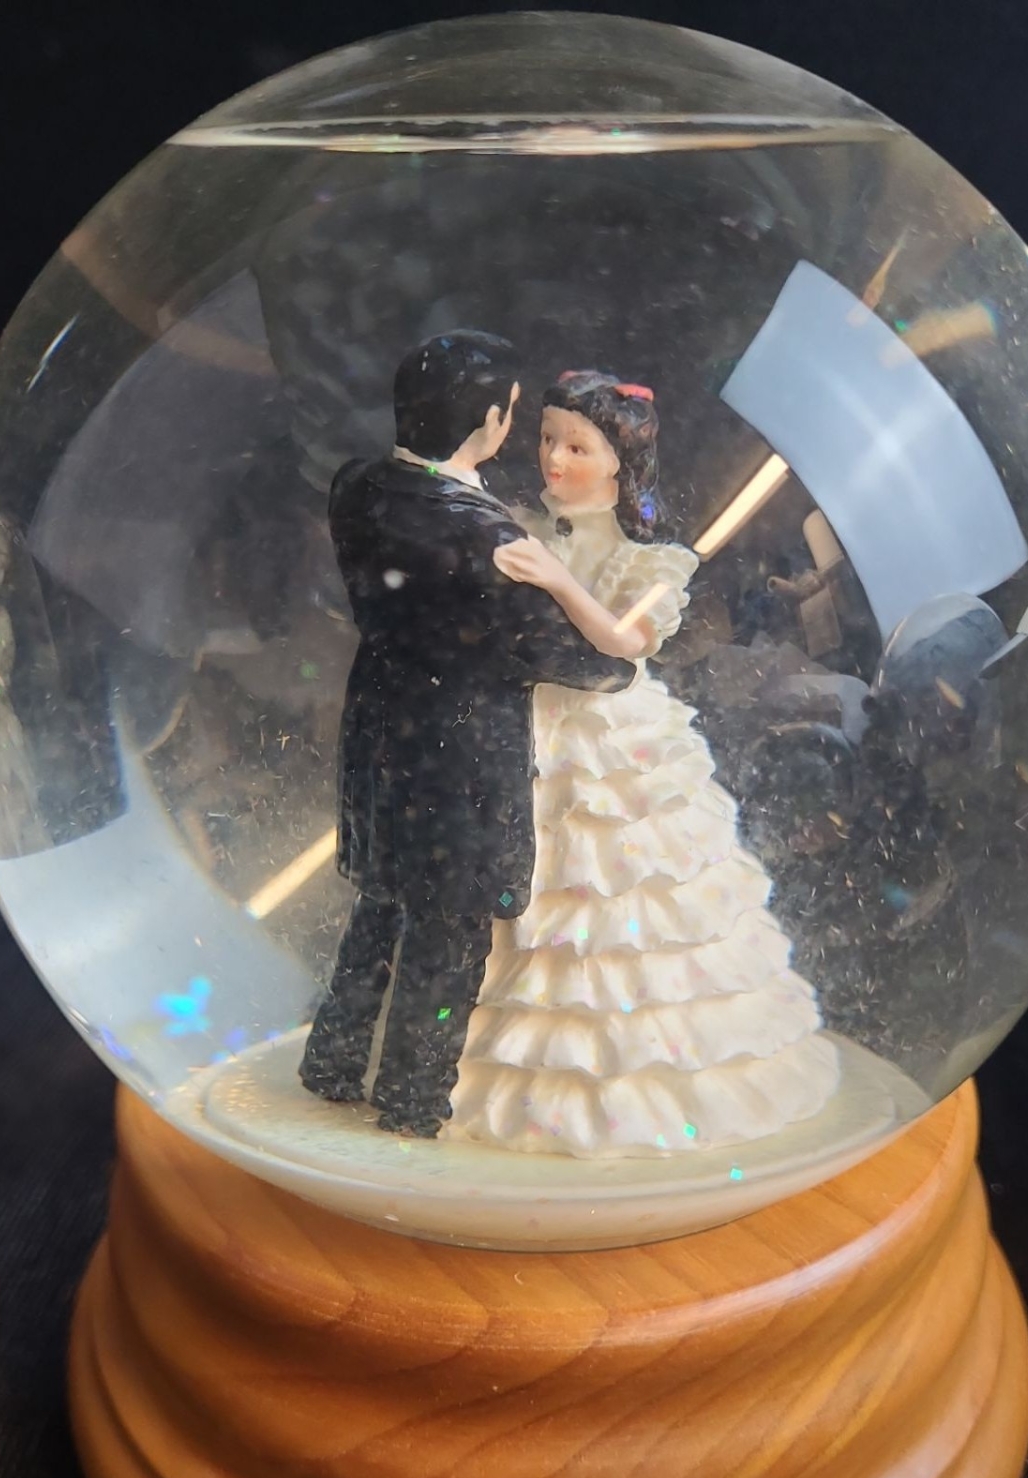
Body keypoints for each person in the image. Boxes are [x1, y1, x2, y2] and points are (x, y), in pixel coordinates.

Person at [441, 370, 840, 1156]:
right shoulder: (522, 524)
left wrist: (558, 578)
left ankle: (620, 1089)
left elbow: (625, 642)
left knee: (612, 888)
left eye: (577, 446)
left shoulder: (649, 564)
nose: (555, 458)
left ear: (620, 464)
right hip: (518, 717)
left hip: (608, 731)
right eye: (548, 438)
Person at [300, 333, 635, 1136]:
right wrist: (615, 657)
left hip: (380, 734)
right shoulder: (487, 540)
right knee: (446, 934)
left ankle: (333, 1062)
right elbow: (578, 659)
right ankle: (411, 1104)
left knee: (381, 904)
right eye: (514, 413)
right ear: (490, 420)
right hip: (461, 756)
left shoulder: (356, 487)